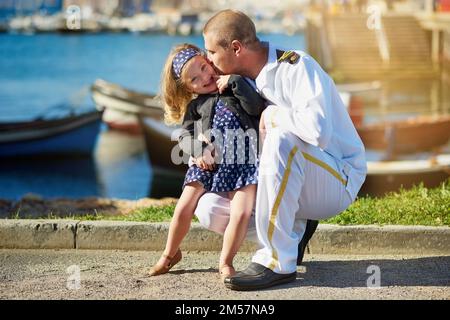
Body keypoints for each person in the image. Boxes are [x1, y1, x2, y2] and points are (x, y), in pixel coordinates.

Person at [194, 10, 367, 290]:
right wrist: (199, 147)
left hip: (337, 178)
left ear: (236, 48)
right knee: (209, 208)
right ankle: (293, 236)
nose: (209, 59)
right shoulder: (237, 82)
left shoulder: (296, 67)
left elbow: (318, 133)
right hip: (292, 182)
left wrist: (271, 115)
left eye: (212, 51)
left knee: (280, 137)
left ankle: (276, 261)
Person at [147, 43, 266, 282]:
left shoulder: (236, 89)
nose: (204, 77)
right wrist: (199, 150)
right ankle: (170, 254)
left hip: (243, 160)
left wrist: (233, 81)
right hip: (206, 162)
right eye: (194, 79)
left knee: (240, 212)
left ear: (208, 59)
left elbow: (256, 107)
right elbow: (183, 136)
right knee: (184, 205)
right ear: (187, 87)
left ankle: (226, 262)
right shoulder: (195, 106)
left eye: (203, 67)